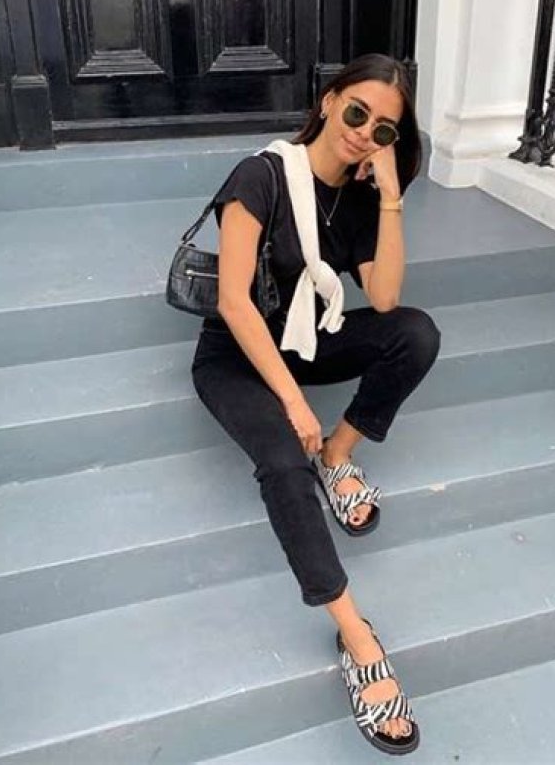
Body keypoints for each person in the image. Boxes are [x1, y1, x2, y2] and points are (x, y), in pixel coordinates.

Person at [191, 53, 440, 755]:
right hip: (237, 356)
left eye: (384, 129)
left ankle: (339, 456)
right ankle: (357, 637)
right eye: (358, 111)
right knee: (281, 460)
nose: (365, 132)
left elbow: (384, 299)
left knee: (415, 334)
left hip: (305, 340)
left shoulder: (358, 198)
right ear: (329, 102)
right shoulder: (261, 176)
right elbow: (234, 303)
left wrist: (389, 195)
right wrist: (294, 405)